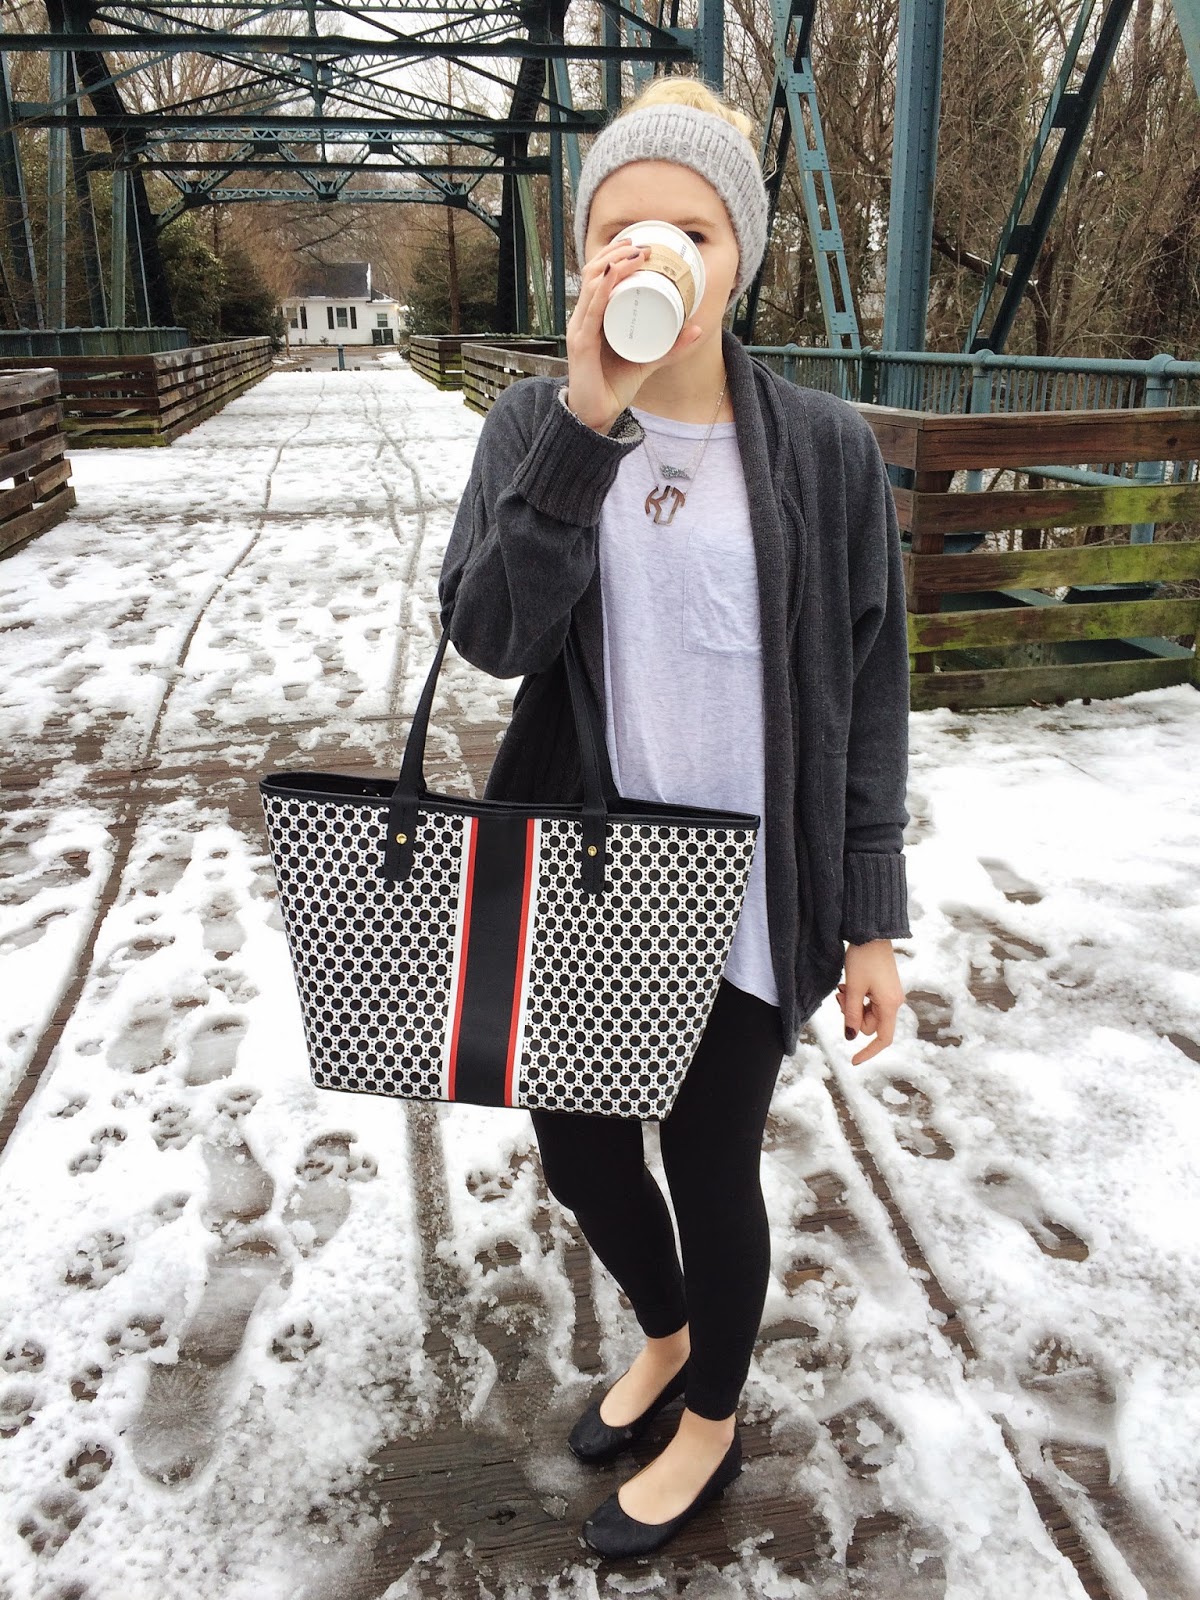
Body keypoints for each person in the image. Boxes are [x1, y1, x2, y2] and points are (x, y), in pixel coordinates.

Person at [437, 75, 912, 1558]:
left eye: (693, 231)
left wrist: (871, 914)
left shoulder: (823, 447)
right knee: (582, 1158)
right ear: (589, 257)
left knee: (711, 1168)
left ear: (740, 257)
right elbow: (490, 637)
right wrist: (589, 422)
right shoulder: (534, 421)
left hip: (750, 885)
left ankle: (710, 1417)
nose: (655, 257)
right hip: (589, 874)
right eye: (622, 231)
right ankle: (668, 1333)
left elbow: (871, 685)